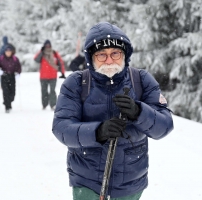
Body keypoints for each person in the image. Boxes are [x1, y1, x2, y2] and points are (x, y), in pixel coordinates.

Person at [52, 22, 174, 200]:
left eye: (115, 53)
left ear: (125, 54)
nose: (109, 60)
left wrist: (139, 112)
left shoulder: (141, 80)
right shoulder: (76, 83)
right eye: (101, 55)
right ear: (91, 58)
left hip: (130, 183)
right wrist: (97, 132)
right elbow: (61, 128)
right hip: (87, 182)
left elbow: (165, 125)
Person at [34, 39, 65, 110]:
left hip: (53, 76)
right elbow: (36, 59)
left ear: (50, 45)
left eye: (49, 45)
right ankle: (44, 105)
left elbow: (60, 62)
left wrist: (62, 72)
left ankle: (53, 105)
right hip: (43, 76)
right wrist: (40, 52)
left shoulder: (54, 53)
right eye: (46, 45)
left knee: (52, 91)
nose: (47, 47)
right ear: (44, 46)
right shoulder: (42, 54)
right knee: (44, 91)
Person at [0, 44, 21, 113]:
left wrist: (18, 73)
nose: (8, 52)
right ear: (5, 52)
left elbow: (19, 67)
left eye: (9, 51)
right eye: (7, 51)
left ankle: (8, 102)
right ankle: (7, 106)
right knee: (5, 92)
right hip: (4, 76)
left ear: (11, 52)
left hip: (12, 76)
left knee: (12, 93)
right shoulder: (1, 58)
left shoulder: (15, 59)